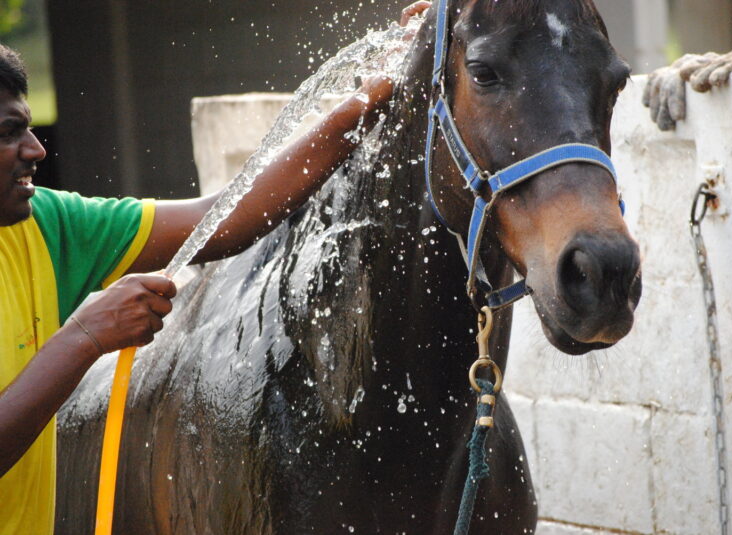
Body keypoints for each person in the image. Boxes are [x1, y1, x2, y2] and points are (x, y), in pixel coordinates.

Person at [0, 2, 429, 532]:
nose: (37, 149)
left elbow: (222, 218)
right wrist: (85, 337)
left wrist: (370, 97)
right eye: (8, 132)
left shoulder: (45, 223)